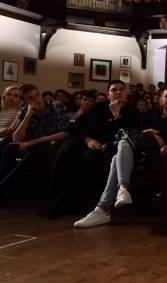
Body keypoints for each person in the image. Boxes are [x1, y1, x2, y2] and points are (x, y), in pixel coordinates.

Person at [74, 88, 167, 227]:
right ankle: (120, 191)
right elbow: (138, 133)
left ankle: (103, 208)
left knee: (120, 151)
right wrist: (151, 135)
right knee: (123, 144)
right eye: (166, 97)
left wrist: (159, 134)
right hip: (139, 151)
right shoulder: (150, 115)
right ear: (160, 100)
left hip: (157, 154)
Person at [42, 80, 140, 218]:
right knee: (65, 151)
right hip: (86, 140)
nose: (118, 92)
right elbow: (76, 126)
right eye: (114, 90)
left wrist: (116, 115)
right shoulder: (98, 107)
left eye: (121, 89)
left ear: (126, 93)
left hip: (108, 146)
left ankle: (77, 202)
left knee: (89, 158)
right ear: (108, 95)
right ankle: (53, 199)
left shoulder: (132, 111)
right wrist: (87, 139)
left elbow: (124, 136)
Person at [0, 85, 68, 196]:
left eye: (37, 95)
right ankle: (5, 187)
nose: (37, 100)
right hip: (29, 144)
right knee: (9, 148)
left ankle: (2, 188)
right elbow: (16, 139)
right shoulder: (24, 111)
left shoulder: (56, 106)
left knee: (33, 153)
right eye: (30, 98)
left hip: (50, 144)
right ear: (25, 101)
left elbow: (65, 133)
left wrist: (35, 141)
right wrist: (28, 116)